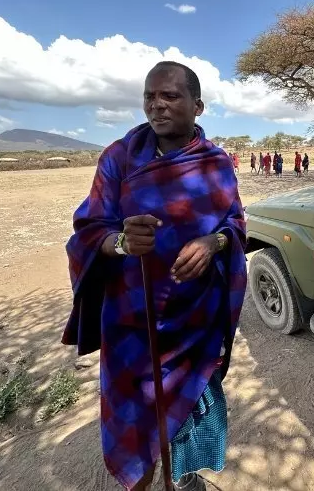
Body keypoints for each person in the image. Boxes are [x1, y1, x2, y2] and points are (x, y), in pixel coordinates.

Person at [62, 61, 247, 491]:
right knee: (133, 423)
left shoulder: (216, 163)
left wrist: (213, 243)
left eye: (170, 96)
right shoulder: (120, 158)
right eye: (150, 96)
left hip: (194, 321)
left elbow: (235, 224)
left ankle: (184, 479)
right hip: (133, 321)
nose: (157, 105)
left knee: (187, 413)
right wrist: (122, 243)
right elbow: (89, 230)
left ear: (197, 106)